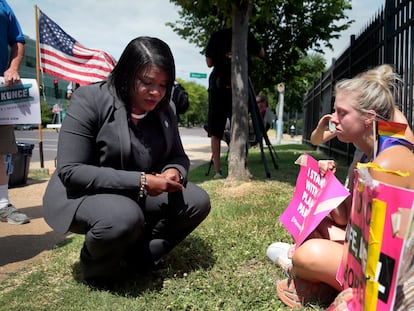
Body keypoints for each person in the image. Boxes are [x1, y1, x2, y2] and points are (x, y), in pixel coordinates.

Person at [42, 36, 211, 287]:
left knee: (197, 201)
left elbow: (177, 155)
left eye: (164, 85)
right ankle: (96, 268)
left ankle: (140, 256)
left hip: (136, 193)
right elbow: (70, 171)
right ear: (128, 73)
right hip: (84, 193)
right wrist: (141, 181)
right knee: (122, 216)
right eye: (147, 83)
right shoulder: (89, 100)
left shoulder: (166, 109)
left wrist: (173, 170)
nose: (156, 92)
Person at [269, 64, 414, 308]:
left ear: (369, 117)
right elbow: (348, 218)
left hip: (390, 273)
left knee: (306, 254)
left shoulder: (388, 162)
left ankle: (307, 277)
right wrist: (330, 181)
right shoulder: (369, 154)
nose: (333, 120)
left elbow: (385, 257)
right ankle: (314, 278)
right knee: (313, 226)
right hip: (365, 252)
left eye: (342, 113)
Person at [205, 26, 264, 179]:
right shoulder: (245, 32)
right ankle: (242, 165)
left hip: (218, 86)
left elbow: (209, 62)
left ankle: (218, 171)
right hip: (238, 87)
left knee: (216, 131)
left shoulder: (216, 35)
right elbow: (261, 53)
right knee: (239, 125)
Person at [0, 0, 30, 225]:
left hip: (1, 89)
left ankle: (2, 205)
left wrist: (13, 68)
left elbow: (17, 40)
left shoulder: (3, 5)